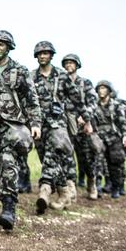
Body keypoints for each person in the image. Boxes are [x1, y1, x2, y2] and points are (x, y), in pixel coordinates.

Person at [0, 30, 41, 229]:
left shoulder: (19, 70)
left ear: (8, 47)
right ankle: (5, 193)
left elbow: (32, 100)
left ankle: (9, 208)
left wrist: (36, 124)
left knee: (8, 162)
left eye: (1, 45)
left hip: (12, 125)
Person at [32, 41, 92, 214]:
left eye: (46, 53)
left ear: (51, 55)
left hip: (57, 123)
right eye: (40, 53)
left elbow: (77, 99)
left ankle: (44, 190)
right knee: (47, 159)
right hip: (39, 124)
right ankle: (64, 192)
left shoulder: (61, 75)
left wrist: (86, 120)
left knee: (53, 154)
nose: (43, 56)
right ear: (36, 56)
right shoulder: (31, 76)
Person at [61, 54, 100, 200]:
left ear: (77, 65)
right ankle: (71, 188)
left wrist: (85, 117)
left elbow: (92, 102)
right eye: (66, 63)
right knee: (67, 157)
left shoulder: (85, 83)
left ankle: (92, 183)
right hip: (66, 124)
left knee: (87, 159)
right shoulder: (61, 82)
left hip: (84, 126)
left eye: (71, 63)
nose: (69, 65)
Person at [93, 81, 126, 199]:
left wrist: (125, 135)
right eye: (99, 88)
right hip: (99, 138)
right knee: (98, 164)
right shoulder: (94, 106)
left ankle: (116, 188)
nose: (101, 91)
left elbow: (122, 122)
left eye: (104, 88)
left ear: (109, 91)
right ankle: (97, 188)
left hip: (114, 138)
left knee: (115, 164)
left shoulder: (116, 105)